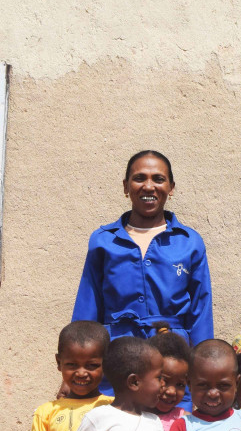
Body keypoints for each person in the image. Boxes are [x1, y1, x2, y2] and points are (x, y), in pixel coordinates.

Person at [71, 150, 213, 409]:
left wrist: (204, 373)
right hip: (117, 357)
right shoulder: (104, 241)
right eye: (139, 178)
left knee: (171, 428)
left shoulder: (189, 242)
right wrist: (77, 369)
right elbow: (88, 306)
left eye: (158, 179)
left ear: (171, 187)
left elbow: (200, 310)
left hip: (173, 359)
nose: (149, 186)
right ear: (126, 186)